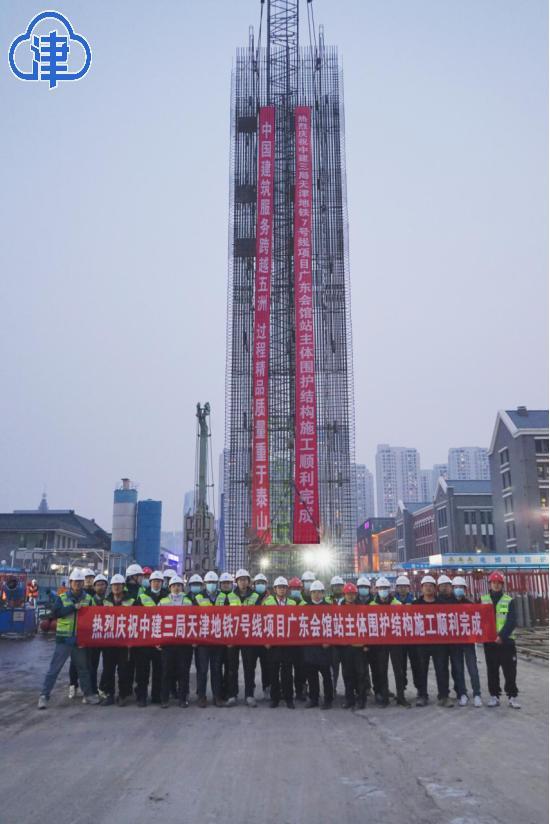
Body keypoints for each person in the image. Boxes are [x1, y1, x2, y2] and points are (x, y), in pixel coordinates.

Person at [37, 569, 100, 709]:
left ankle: (88, 695)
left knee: (83, 669)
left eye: (80, 582)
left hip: (80, 640)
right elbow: (55, 613)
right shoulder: (62, 597)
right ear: (70, 583)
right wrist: (72, 608)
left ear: (83, 583)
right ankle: (44, 696)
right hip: (64, 640)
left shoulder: (89, 599)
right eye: (75, 582)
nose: (78, 584)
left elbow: (95, 617)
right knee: (54, 669)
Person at [481, 571, 520, 709]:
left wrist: (501, 636)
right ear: (490, 584)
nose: (496, 585)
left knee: (510, 671)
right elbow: (478, 620)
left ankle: (512, 696)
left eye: (499, 583)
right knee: (492, 670)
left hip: (506, 642)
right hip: (490, 643)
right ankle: (494, 696)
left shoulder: (509, 600)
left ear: (502, 585)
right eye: (494, 583)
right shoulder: (483, 600)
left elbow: (512, 621)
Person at [370, 577, 410, 707]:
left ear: (389, 590)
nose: (383, 591)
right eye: (381, 589)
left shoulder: (397, 604)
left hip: (395, 642)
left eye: (385, 589)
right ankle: (385, 697)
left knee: (398, 670)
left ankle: (401, 696)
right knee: (382, 670)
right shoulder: (372, 606)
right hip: (380, 643)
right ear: (376, 590)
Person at [415, 575, 453, 707]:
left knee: (442, 669)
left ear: (435, 588)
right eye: (426, 586)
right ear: (422, 588)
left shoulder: (442, 605)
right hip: (421, 643)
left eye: (431, 586)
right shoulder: (415, 605)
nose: (428, 588)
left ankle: (444, 696)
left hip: (439, 643)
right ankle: (422, 695)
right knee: (421, 669)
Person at [225, 569, 260, 707]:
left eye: (245, 579)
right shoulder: (230, 597)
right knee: (232, 667)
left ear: (249, 581)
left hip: (249, 636)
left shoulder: (256, 597)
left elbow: (259, 617)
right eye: (240, 580)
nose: (242, 582)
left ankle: (249, 695)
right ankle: (232, 694)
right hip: (233, 635)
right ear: (237, 582)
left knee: (249, 666)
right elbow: (224, 617)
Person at [100, 574, 135, 706]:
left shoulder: (131, 601)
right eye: (114, 585)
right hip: (109, 641)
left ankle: (123, 694)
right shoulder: (105, 601)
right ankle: (109, 694)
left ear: (123, 587)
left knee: (123, 669)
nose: (116, 587)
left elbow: (137, 618)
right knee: (108, 669)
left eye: (118, 585)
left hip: (124, 641)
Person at [159, 575, 193, 708]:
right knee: (166, 671)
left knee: (183, 671)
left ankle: (182, 698)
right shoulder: (163, 601)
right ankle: (165, 698)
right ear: (170, 588)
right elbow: (157, 620)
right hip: (168, 642)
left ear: (182, 587)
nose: (177, 588)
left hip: (184, 643)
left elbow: (193, 621)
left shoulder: (188, 602)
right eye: (174, 585)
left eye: (179, 585)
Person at [192, 573, 226, 708]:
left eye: (213, 581)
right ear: (205, 584)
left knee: (217, 669)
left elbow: (230, 616)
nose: (211, 584)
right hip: (203, 639)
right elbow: (193, 618)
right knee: (202, 670)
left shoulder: (224, 597)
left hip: (218, 639)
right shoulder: (198, 597)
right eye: (209, 581)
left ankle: (217, 697)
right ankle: (201, 697)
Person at [263, 577, 297, 708]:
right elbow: (263, 622)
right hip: (273, 643)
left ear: (286, 589)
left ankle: (289, 698)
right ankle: (275, 698)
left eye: (284, 587)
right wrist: (266, 640)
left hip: (288, 643)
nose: (282, 589)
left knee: (287, 672)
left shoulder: (293, 603)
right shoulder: (268, 602)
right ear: (275, 589)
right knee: (273, 671)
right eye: (279, 587)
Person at [135, 571, 165, 706]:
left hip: (160, 640)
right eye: (154, 581)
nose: (156, 583)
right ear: (150, 582)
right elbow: (135, 617)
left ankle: (156, 695)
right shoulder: (142, 598)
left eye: (159, 581)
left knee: (159, 670)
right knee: (142, 670)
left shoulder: (167, 597)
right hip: (144, 640)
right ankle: (141, 696)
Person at [436, 574, 467, 704]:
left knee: (457, 667)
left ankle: (461, 692)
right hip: (440, 641)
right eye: (442, 586)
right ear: (438, 588)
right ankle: (443, 694)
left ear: (451, 587)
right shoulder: (435, 603)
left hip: (455, 641)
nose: (445, 588)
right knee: (441, 668)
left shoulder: (458, 602)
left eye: (447, 586)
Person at [452, 576, 482, 707]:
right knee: (458, 669)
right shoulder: (448, 605)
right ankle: (463, 694)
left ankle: (477, 694)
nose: (458, 589)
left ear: (465, 589)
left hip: (468, 642)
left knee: (473, 668)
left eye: (461, 587)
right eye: (456, 587)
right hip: (455, 643)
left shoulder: (470, 604)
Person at [304, 581, 334, 709]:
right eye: (314, 592)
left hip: (325, 648)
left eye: (319, 592)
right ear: (310, 593)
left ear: (323, 593)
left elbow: (334, 626)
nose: (317, 594)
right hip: (310, 648)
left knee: (326, 675)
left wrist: (329, 641)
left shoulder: (329, 607)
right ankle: (313, 698)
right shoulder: (305, 608)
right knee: (312, 676)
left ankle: (328, 699)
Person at [339, 582, 369, 709]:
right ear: (344, 595)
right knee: (347, 674)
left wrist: (367, 644)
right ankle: (349, 698)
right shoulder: (338, 610)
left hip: (359, 647)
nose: (350, 596)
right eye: (348, 594)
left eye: (352, 594)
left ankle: (361, 699)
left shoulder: (362, 608)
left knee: (361, 674)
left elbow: (368, 626)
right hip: (345, 648)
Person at [394, 575, 423, 701]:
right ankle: (401, 690)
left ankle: (420, 689)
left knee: (416, 665)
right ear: (397, 588)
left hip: (413, 640)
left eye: (404, 587)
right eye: (400, 587)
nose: (402, 589)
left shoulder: (415, 602)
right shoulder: (392, 602)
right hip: (399, 640)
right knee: (401, 666)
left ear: (408, 588)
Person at [249, 573, 271, 700]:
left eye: (263, 583)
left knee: (267, 665)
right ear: (254, 585)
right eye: (258, 583)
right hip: (252, 638)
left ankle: (267, 688)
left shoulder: (271, 599)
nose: (260, 585)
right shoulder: (250, 597)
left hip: (266, 638)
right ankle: (250, 690)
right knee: (251, 666)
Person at [287, 576, 307, 702]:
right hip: (288, 642)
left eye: (297, 588)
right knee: (288, 669)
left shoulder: (305, 604)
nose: (295, 590)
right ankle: (288, 692)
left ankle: (301, 691)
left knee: (301, 668)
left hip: (302, 642)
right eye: (293, 588)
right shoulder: (286, 603)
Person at [89, 574, 108, 697]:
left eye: (103, 584)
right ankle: (92, 690)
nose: (101, 587)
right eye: (98, 585)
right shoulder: (89, 600)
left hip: (107, 637)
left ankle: (103, 687)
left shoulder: (110, 600)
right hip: (93, 637)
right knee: (92, 665)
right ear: (94, 587)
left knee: (107, 665)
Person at [328, 575, 345, 693]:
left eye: (340, 586)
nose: (338, 588)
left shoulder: (349, 600)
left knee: (348, 669)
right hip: (333, 640)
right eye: (335, 586)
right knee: (333, 668)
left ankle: (350, 691)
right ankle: (332, 689)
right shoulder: (327, 601)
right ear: (331, 588)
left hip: (347, 639)